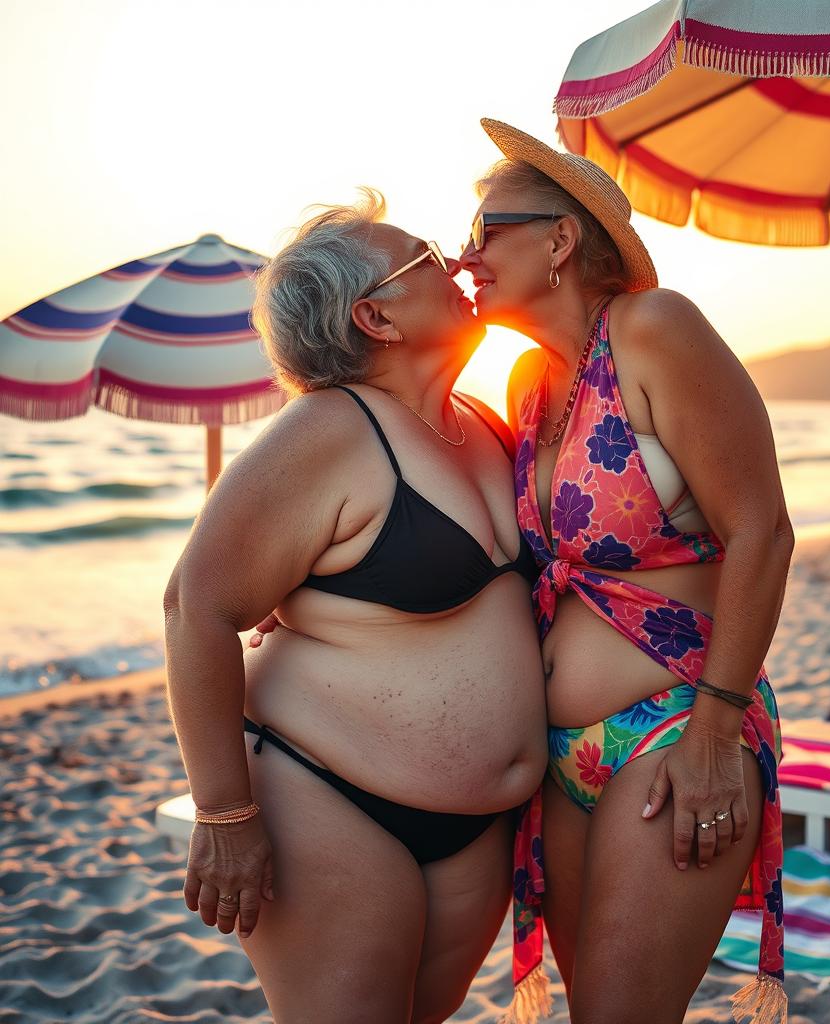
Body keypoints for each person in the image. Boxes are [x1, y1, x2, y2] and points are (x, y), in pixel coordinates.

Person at [162, 191, 548, 1024]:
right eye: (426, 258)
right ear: (375, 316)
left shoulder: (481, 420)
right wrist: (224, 813)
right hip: (330, 801)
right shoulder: (326, 433)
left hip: (477, 823)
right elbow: (195, 606)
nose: (454, 264)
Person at [460, 120, 792, 1024]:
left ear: (561, 239)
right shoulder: (530, 381)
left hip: (679, 723)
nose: (465, 255)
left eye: (487, 232)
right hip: (563, 759)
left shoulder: (655, 328)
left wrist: (715, 740)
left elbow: (762, 530)